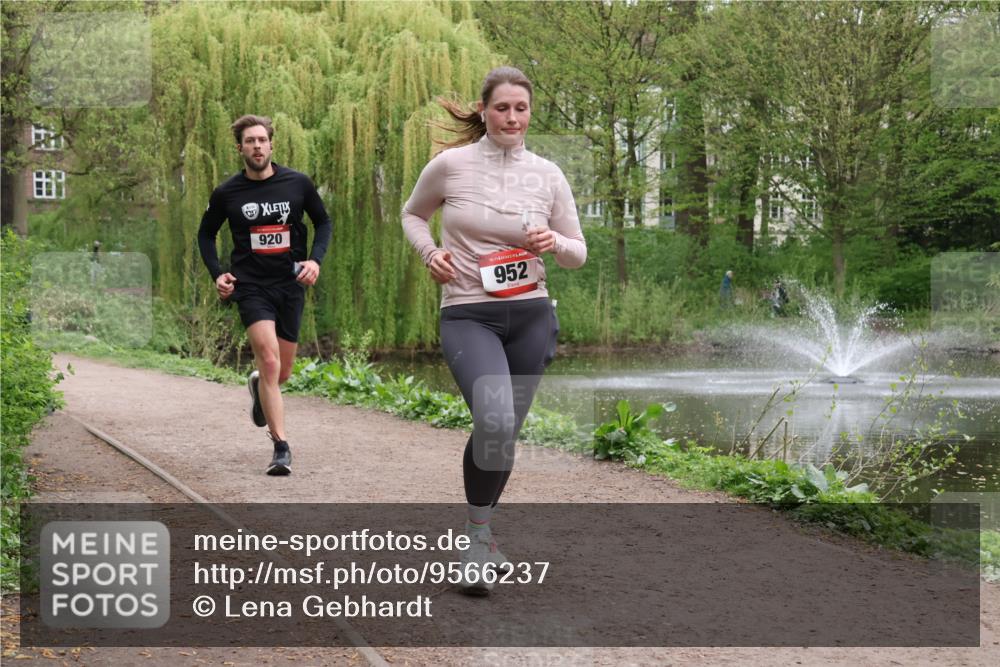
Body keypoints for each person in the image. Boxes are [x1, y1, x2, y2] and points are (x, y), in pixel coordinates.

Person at [402, 66, 587, 594]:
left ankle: (480, 535)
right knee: (495, 415)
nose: (512, 117)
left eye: (521, 108)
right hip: (468, 312)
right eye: (502, 107)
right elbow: (413, 215)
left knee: (502, 434)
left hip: (531, 315)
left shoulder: (548, 174)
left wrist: (551, 241)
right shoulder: (450, 165)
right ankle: (476, 545)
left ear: (531, 113)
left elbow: (578, 253)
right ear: (484, 110)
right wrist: (430, 252)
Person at [198, 114, 332, 476]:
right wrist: (218, 274)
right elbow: (205, 235)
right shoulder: (227, 193)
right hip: (251, 287)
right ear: (240, 148)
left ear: (271, 144)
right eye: (249, 141)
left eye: (262, 140)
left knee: (281, 372)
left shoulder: (298, 184)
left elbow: (323, 222)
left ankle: (259, 388)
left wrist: (315, 261)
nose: (257, 146)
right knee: (270, 362)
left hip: (289, 285)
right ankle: (281, 447)